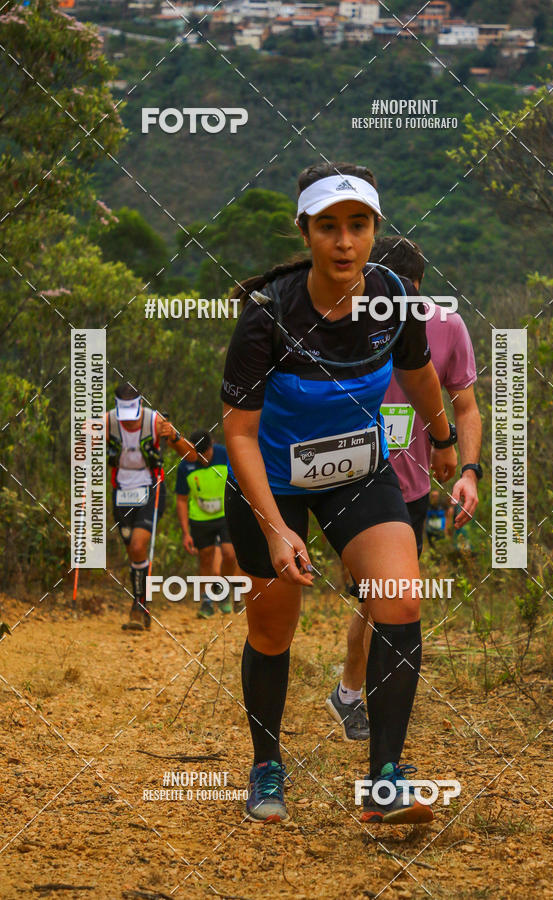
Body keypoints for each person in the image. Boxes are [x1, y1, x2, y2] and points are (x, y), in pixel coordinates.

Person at [221, 161, 459, 825]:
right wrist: (274, 528)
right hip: (271, 484)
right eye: (329, 227)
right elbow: (237, 434)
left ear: (374, 229)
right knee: (273, 628)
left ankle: (384, 781)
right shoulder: (268, 317)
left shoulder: (393, 298)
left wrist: (442, 441)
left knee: (400, 600)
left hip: (355, 473)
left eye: (358, 226)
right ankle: (267, 765)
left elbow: (418, 374)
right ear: (307, 232)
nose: (345, 241)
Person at [327, 235, 482, 740]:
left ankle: (351, 695)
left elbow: (466, 406)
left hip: (412, 489)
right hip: (355, 483)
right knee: (381, 596)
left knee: (383, 600)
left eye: (408, 295)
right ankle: (357, 697)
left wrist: (469, 470)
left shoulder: (447, 326)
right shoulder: (343, 320)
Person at [107, 383, 198, 631]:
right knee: (134, 553)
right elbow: (82, 452)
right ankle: (143, 602)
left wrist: (174, 436)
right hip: (121, 492)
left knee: (138, 545)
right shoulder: (108, 422)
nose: (128, 422)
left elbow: (191, 456)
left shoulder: (155, 421)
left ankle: (138, 608)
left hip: (150, 490)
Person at [175, 430, 238, 618]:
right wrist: (186, 533)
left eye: (207, 453)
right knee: (205, 558)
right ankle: (206, 600)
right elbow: (181, 500)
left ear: (212, 447)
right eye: (199, 455)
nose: (203, 458)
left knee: (229, 554)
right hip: (200, 519)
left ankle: (223, 590)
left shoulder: (225, 454)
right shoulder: (185, 465)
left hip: (225, 515)